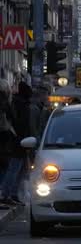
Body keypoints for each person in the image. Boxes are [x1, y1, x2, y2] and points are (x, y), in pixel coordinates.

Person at [1, 81, 32, 206]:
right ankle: (7, 193)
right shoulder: (20, 104)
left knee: (18, 169)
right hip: (18, 141)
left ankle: (11, 193)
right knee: (15, 169)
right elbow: (21, 124)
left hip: (16, 140)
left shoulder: (13, 103)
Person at [0, 79, 16, 210]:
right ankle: (2, 196)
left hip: (4, 139)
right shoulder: (4, 104)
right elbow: (10, 121)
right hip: (4, 139)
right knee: (4, 168)